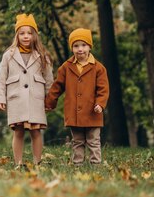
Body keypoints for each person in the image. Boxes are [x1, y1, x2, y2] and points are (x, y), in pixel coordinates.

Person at [0, 14, 54, 167]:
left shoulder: (42, 56)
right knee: (18, 132)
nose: (26, 36)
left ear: (34, 35)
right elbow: (2, 78)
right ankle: (18, 163)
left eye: (29, 33)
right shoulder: (9, 55)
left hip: (36, 99)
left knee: (36, 132)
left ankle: (37, 162)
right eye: (22, 33)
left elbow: (49, 80)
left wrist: (50, 100)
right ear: (17, 35)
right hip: (16, 98)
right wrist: (0, 98)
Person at [45, 28, 110, 165]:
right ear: (72, 48)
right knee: (77, 141)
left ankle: (96, 164)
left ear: (89, 47)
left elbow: (103, 89)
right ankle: (78, 164)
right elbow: (57, 86)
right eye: (76, 46)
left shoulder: (99, 68)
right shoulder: (66, 67)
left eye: (83, 45)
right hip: (74, 113)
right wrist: (49, 102)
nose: (80, 49)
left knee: (93, 140)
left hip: (93, 112)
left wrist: (100, 103)